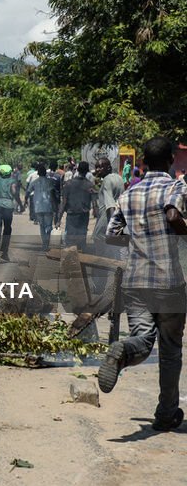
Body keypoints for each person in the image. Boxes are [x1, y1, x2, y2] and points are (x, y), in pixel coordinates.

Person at [102, 136, 187, 431]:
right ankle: (165, 415)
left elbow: (111, 234)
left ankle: (123, 351)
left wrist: (140, 240)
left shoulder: (128, 195)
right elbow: (173, 214)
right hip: (169, 282)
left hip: (136, 282)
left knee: (142, 338)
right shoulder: (176, 186)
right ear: (171, 159)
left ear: (144, 163)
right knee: (170, 349)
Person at [0, 164, 21, 263]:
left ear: (1, 172)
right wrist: (19, 202)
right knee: (7, 228)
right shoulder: (12, 181)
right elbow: (14, 192)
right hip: (8, 207)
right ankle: (4, 252)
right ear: (10, 172)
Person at [58, 160, 95, 250]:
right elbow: (95, 204)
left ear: (77, 169)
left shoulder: (68, 184)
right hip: (84, 216)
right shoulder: (90, 185)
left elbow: (64, 203)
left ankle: (71, 261)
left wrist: (58, 219)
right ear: (87, 171)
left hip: (71, 216)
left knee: (70, 241)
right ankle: (81, 261)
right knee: (82, 241)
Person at [26, 163, 59, 251]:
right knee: (48, 225)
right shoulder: (50, 182)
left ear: (38, 173)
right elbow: (53, 195)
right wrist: (56, 206)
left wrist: (25, 201)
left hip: (38, 207)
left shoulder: (34, 182)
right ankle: (46, 243)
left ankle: (44, 243)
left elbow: (27, 192)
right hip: (48, 206)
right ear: (45, 173)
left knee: (41, 226)